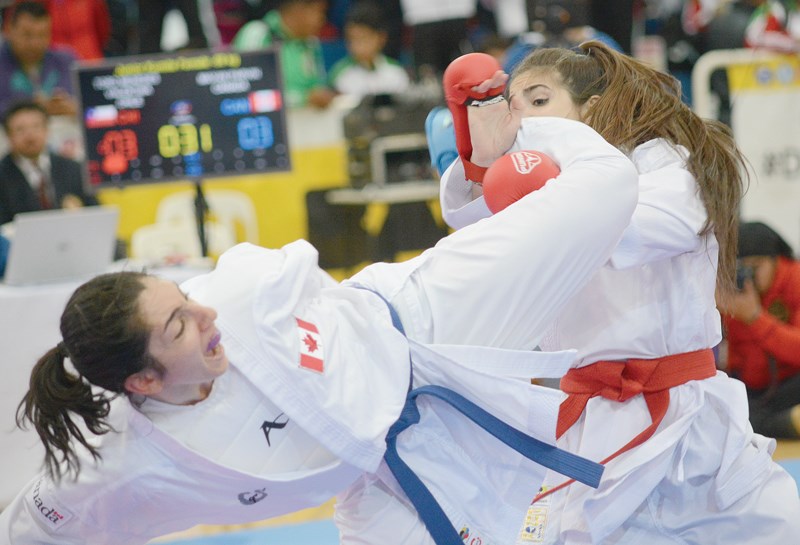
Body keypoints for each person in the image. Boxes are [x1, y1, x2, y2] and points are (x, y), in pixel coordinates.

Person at [0, 114, 641, 544]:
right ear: (143, 379)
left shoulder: (239, 289)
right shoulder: (122, 467)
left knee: (606, 189)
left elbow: (303, 274)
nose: (204, 314)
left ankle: (509, 122)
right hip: (383, 481)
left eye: (185, 299)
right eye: (179, 327)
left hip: (419, 320)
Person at [437, 42, 800, 544]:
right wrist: (477, 159)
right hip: (590, 418)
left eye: (539, 102)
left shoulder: (668, 166)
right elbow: (470, 220)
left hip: (688, 414)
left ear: (592, 107)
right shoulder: (536, 189)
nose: (525, 122)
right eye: (515, 106)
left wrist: (538, 170)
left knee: (773, 531)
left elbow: (629, 223)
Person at [718, 221, 800, 439]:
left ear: (776, 261)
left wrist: (754, 318)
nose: (748, 276)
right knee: (729, 412)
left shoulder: (795, 278)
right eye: (741, 267)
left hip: (790, 381)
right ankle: (790, 422)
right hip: (755, 390)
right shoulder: (731, 288)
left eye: (755, 267)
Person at [0, 100, 98, 226]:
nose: (30, 136)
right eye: (20, 129)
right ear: (8, 135)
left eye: (36, 126)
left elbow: (95, 212)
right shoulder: (3, 176)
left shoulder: (72, 168)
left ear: (47, 129)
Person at [233, 0, 337, 108]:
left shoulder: (311, 43)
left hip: (307, 121)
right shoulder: (257, 33)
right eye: (320, 12)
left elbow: (317, 87)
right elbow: (247, 92)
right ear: (298, 9)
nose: (322, 19)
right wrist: (303, 98)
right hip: (266, 122)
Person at [0, 1, 77, 116]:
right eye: (27, 35)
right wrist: (32, 108)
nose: (35, 43)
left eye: (42, 35)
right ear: (9, 29)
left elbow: (91, 105)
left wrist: (74, 107)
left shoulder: (66, 60)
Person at [328, 1, 410, 99]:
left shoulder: (396, 72)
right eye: (351, 39)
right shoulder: (339, 75)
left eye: (364, 39)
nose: (357, 47)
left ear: (381, 38)